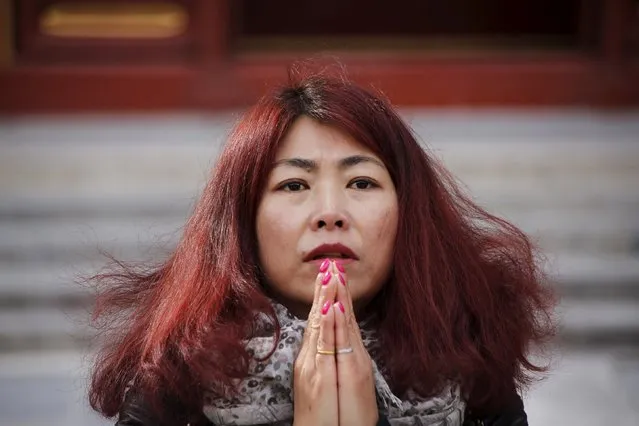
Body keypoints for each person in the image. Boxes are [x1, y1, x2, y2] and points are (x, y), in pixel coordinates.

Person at [88, 70, 555, 426]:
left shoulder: (469, 363)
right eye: (293, 184)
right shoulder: (175, 378)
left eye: (361, 182)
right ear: (242, 223)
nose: (330, 211)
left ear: (409, 215)